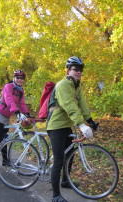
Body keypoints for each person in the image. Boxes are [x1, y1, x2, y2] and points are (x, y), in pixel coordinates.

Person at [47, 56, 98, 202]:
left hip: (67, 125)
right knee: (58, 160)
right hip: (56, 126)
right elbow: (69, 105)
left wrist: (90, 120)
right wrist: (81, 124)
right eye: (76, 69)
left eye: (81, 69)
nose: (79, 72)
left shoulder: (77, 86)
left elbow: (82, 104)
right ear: (68, 70)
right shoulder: (63, 85)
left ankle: (65, 181)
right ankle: (55, 195)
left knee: (70, 154)